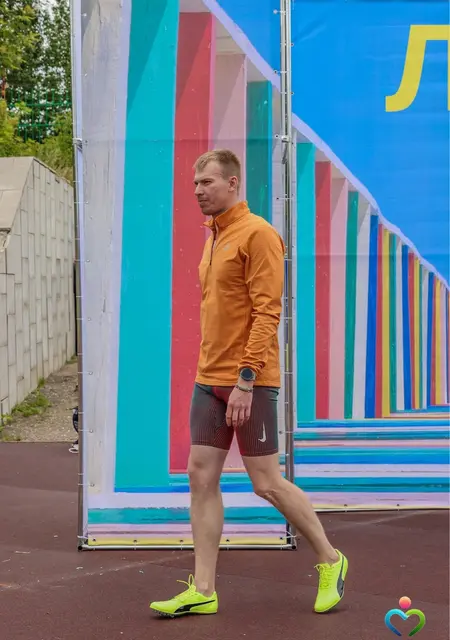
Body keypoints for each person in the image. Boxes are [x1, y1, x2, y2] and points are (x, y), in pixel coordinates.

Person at [150, 149, 348, 618]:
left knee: (266, 483)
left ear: (233, 183)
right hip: (209, 379)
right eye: (195, 184)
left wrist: (245, 379)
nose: (198, 191)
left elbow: (267, 312)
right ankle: (203, 589)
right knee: (200, 476)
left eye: (208, 182)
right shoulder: (215, 236)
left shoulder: (258, 234)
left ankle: (330, 559)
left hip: (249, 381)